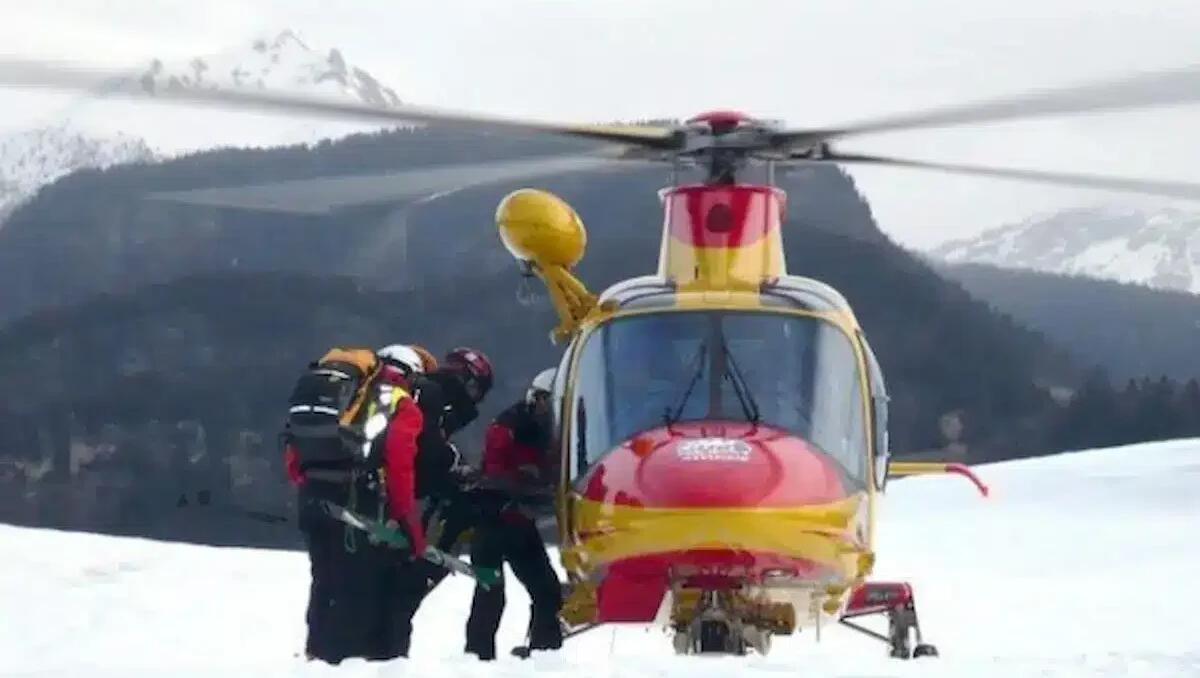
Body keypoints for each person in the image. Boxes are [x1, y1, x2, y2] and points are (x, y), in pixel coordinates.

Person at [284, 344, 428, 664]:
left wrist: (311, 486)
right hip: (357, 505)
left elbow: (294, 457)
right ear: (410, 375)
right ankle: (346, 662)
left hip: (312, 498)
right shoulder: (400, 404)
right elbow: (400, 467)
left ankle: (316, 656)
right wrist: (408, 522)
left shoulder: (340, 397)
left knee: (324, 579)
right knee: (356, 587)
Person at [384, 346, 496, 655]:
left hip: (398, 491)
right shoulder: (434, 396)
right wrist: (454, 464)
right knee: (403, 593)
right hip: (408, 495)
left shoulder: (423, 392)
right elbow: (426, 449)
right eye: (477, 390)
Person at [464, 367, 564, 661]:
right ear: (536, 398)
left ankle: (545, 654)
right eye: (548, 401)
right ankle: (477, 659)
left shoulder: (552, 431)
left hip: (520, 524)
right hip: (493, 524)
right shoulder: (506, 428)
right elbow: (495, 476)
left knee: (547, 591)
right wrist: (529, 482)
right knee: (491, 596)